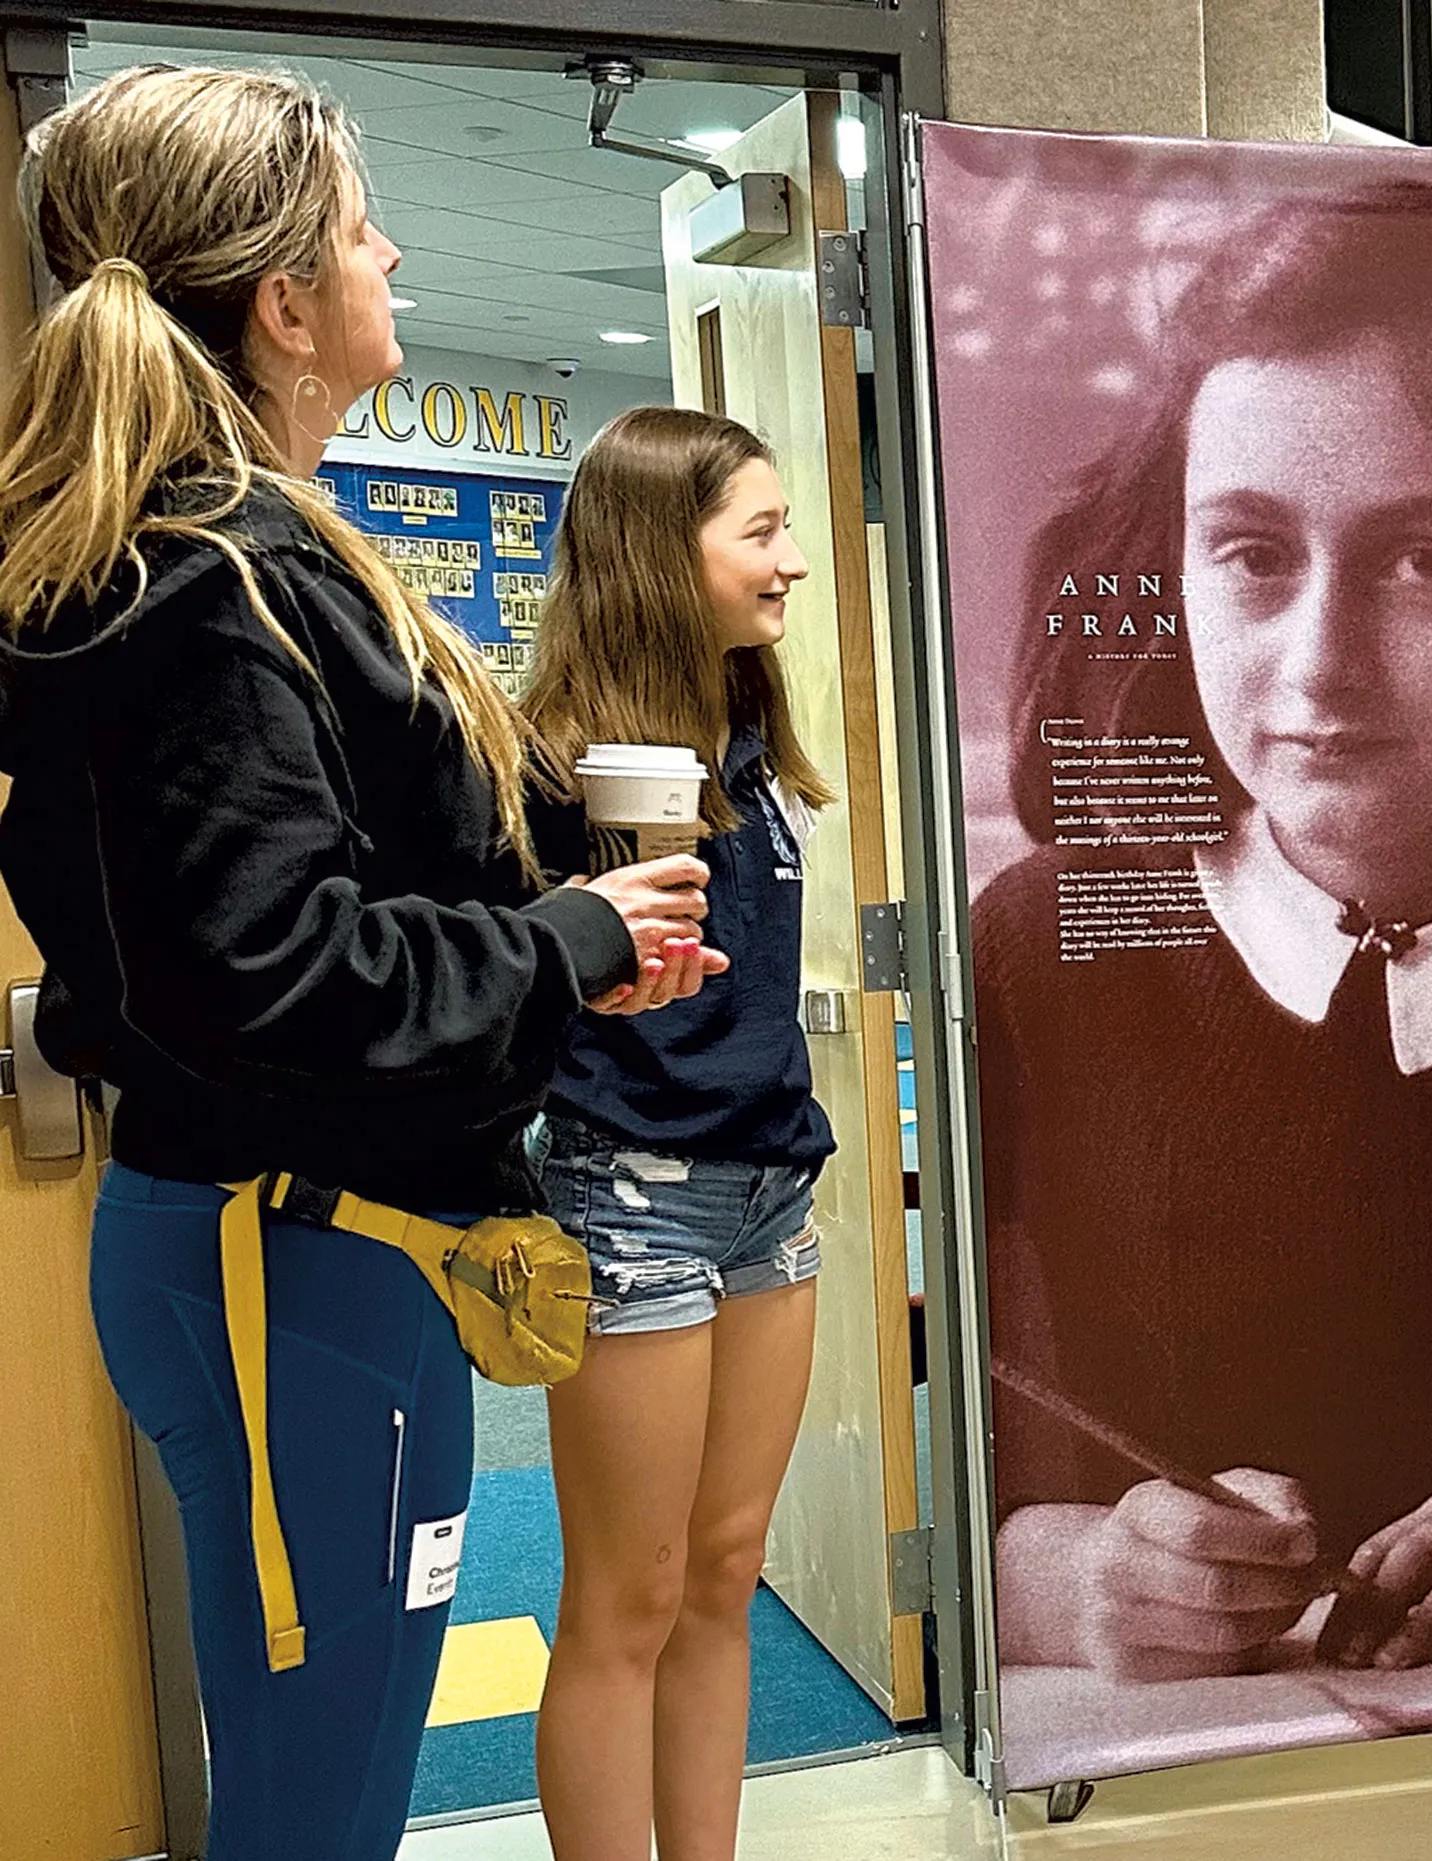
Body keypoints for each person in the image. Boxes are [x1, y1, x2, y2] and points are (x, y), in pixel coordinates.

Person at [0, 66, 718, 1861]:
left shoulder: (204, 560)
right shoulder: (208, 580)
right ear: (287, 305)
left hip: (316, 1263)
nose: (392, 251)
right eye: (357, 229)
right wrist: (562, 936)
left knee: (321, 1761)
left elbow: (221, 936)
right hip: (293, 1269)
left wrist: (552, 953)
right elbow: (274, 973)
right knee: (317, 1799)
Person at [976, 180, 1432, 1724]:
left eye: (1424, 560)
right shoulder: (1040, 949)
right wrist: (1066, 1573)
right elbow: (911, 1441)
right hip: (1177, 1791)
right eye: (1248, 553)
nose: (1316, 668)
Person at [519, 407, 839, 1861]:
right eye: (761, 534)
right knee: (627, 1598)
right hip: (625, 1194)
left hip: (773, 1184)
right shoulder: (546, 765)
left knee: (725, 1574)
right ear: (666, 554)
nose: (793, 566)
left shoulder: (754, 731)